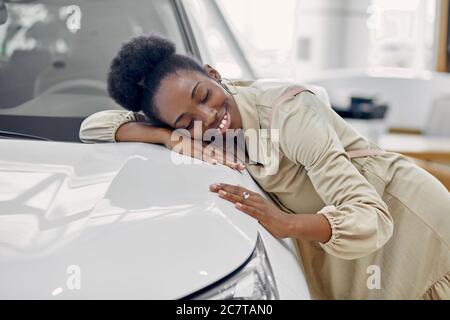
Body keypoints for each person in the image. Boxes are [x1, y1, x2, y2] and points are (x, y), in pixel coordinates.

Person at [79, 35, 450, 299]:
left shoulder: (289, 114)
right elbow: (92, 126)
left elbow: (372, 217)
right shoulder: (187, 131)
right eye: (186, 119)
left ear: (213, 73)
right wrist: (169, 138)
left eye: (204, 95)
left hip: (410, 223)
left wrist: (285, 223)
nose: (209, 117)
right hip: (351, 251)